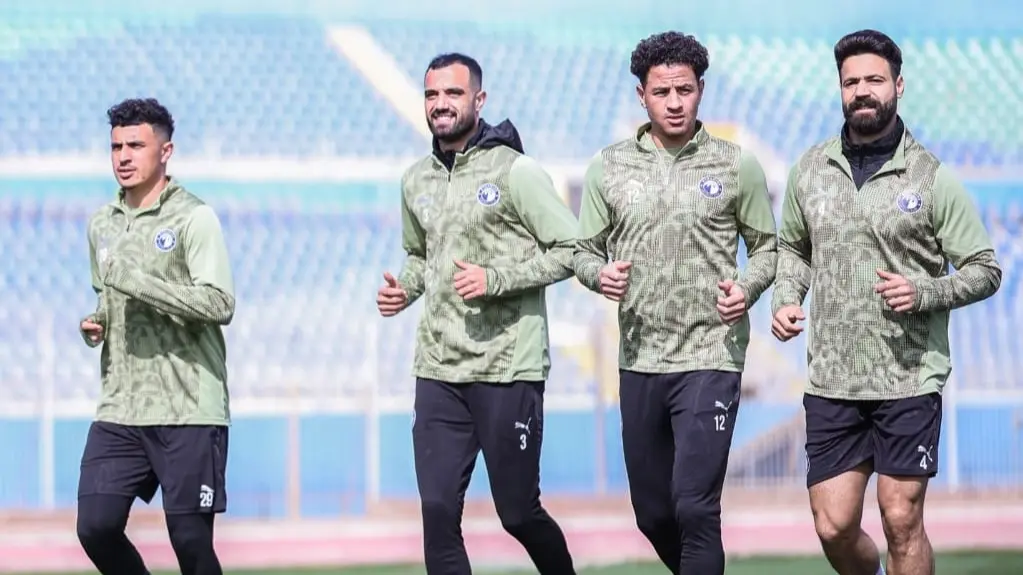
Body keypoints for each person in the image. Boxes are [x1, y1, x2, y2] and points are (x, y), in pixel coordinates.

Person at [771, 30, 1002, 575]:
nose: (862, 91)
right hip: (832, 379)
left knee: (901, 518)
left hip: (908, 376)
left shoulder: (932, 177)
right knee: (833, 525)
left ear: (898, 85)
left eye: (874, 79)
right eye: (851, 82)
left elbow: (985, 269)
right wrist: (785, 298)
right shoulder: (810, 170)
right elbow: (793, 249)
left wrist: (923, 291)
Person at [573, 32, 778, 575]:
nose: (674, 102)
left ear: (700, 90)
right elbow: (582, 251)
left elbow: (767, 248)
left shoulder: (737, 166)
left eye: (684, 90)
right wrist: (599, 274)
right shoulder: (608, 167)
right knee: (653, 514)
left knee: (695, 507)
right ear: (641, 95)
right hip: (639, 359)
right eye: (662, 92)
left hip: (711, 355)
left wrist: (748, 288)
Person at [375, 53, 579, 575]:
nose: (440, 104)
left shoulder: (516, 171)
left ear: (479, 100)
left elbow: (573, 251)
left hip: (506, 368)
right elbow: (421, 256)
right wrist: (405, 289)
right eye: (432, 95)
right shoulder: (415, 180)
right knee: (438, 514)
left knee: (518, 513)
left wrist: (496, 279)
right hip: (438, 370)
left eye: (453, 93)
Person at [77, 98, 235, 575]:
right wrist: (97, 322)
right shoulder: (102, 224)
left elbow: (220, 303)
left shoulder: (194, 218)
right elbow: (108, 296)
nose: (123, 157)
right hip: (120, 407)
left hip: (188, 407)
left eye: (135, 146)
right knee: (96, 527)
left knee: (190, 542)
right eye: (116, 147)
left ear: (165, 152)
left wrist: (139, 284)